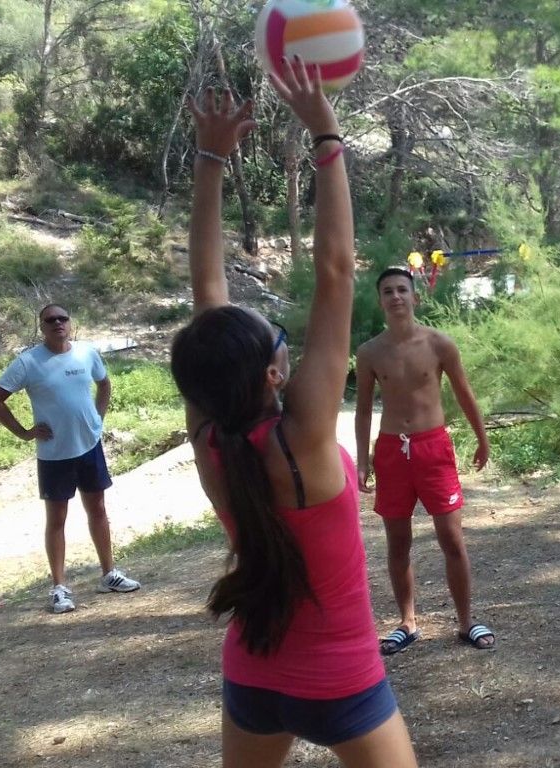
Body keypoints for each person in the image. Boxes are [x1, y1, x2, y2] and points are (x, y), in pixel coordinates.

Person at [169, 64, 416, 766]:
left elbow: (206, 291)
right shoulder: (300, 437)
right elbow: (335, 272)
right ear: (275, 373)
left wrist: (211, 158)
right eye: (276, 335)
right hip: (340, 679)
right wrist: (325, 133)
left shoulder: (209, 434)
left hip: (252, 675)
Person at [355, 267, 495, 654]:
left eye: (402, 289)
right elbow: (363, 409)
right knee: (398, 542)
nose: (396, 296)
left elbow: (464, 393)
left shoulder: (439, 343)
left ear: (415, 297)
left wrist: (482, 438)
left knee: (452, 538)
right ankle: (407, 622)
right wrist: (363, 460)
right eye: (388, 291)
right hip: (391, 450)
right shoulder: (369, 352)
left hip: (433, 447)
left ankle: (466, 621)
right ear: (380, 301)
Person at [0, 304, 141, 614]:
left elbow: (104, 383)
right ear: (42, 326)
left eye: (62, 318)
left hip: (89, 447)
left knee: (98, 509)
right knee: (57, 520)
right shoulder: (29, 362)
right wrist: (24, 433)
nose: (57, 323)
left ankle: (109, 574)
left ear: (70, 323)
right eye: (50, 320)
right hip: (54, 455)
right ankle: (59, 588)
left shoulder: (86, 353)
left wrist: (97, 418)